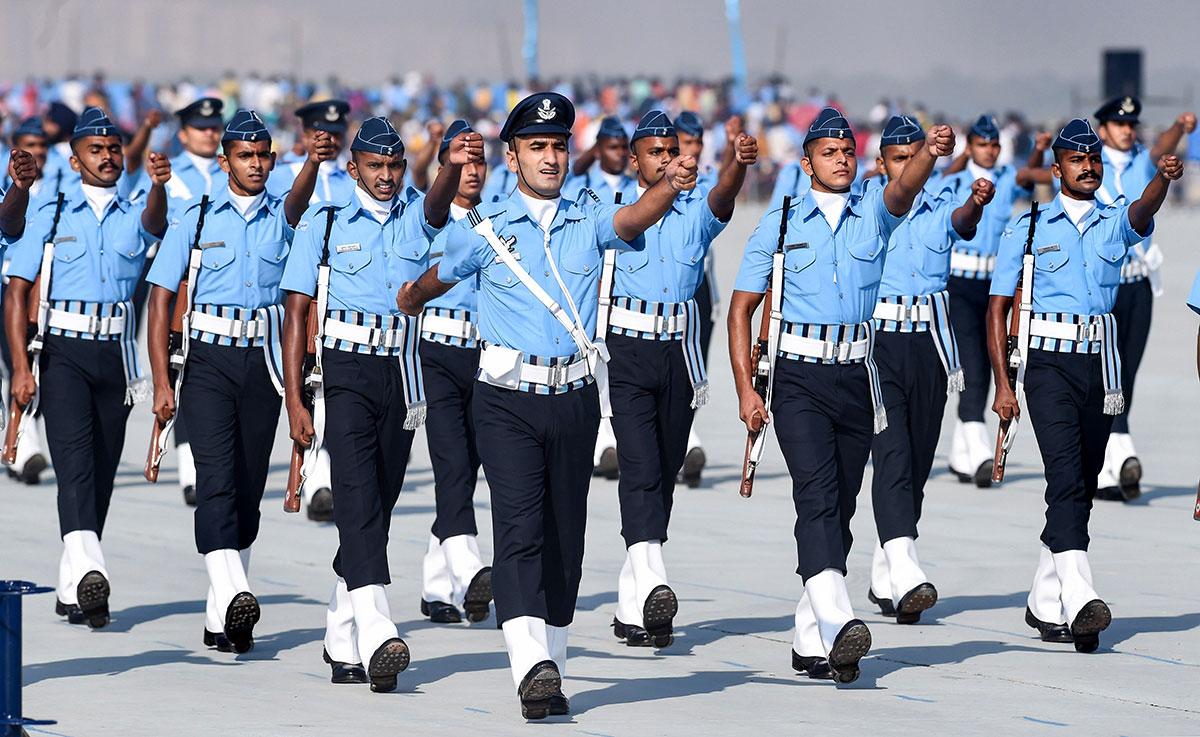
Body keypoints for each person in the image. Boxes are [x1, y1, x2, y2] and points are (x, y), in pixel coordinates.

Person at [395, 91, 696, 719]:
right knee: (520, 527)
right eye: (537, 147)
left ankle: (548, 661)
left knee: (566, 535)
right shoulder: (487, 226)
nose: (551, 157)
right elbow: (439, 275)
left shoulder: (589, 218)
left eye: (558, 146)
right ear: (514, 155)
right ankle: (529, 657)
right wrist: (409, 297)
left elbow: (635, 219)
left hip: (576, 398)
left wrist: (668, 184)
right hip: (505, 400)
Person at [729, 108, 954, 684]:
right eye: (828, 152)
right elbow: (740, 309)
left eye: (848, 151)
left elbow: (903, 187)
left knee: (845, 505)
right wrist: (745, 393)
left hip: (858, 373)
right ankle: (836, 615)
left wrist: (929, 151)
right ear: (806, 163)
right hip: (797, 377)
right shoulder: (778, 222)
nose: (841, 160)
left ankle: (809, 640)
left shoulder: (874, 214)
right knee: (816, 495)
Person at [281, 116, 481, 691]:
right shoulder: (324, 223)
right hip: (343, 373)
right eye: (376, 166)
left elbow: (439, 207)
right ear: (354, 168)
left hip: (402, 373)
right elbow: (296, 312)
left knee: (382, 502)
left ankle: (340, 631)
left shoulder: (416, 213)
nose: (387, 176)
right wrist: (295, 398)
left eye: (395, 165)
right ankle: (376, 628)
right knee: (357, 497)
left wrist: (451, 166)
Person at [988, 118, 1182, 653]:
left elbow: (1142, 212)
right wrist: (1003, 385)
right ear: (1058, 169)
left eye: (1094, 159)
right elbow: (998, 307)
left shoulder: (1115, 220)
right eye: (1077, 160)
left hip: (1100, 364)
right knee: (1065, 474)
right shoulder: (1026, 228)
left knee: (1085, 480)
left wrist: (1161, 180)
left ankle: (1044, 596)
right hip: (1047, 365)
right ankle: (1081, 596)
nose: (1089, 167)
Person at [145, 108, 326, 654]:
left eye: (263, 155)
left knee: (247, 490)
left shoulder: (288, 217)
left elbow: (297, 205)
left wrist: (313, 165)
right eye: (244, 155)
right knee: (217, 480)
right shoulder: (195, 217)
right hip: (208, 363)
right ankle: (235, 589)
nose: (255, 164)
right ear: (223, 161)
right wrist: (160, 380)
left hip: (265, 364)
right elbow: (159, 302)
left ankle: (222, 616)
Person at [4, 107, 171, 629]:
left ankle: (73, 582)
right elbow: (16, 292)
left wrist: (160, 186)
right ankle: (92, 570)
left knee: (99, 474)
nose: (107, 157)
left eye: (115, 149)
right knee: (73, 465)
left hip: (117, 359)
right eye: (96, 151)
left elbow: (155, 226)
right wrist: (20, 369)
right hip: (64, 353)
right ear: (75, 161)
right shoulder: (49, 212)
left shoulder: (134, 209)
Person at [602, 110, 756, 648]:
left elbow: (723, 198)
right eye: (655, 152)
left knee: (663, 473)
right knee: (640, 466)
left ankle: (633, 603)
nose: (666, 159)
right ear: (634, 157)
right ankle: (654, 581)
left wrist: (736, 163)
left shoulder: (695, 210)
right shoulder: (610, 206)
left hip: (680, 356)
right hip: (627, 351)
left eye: (672, 151)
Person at [1022, 97, 1196, 501]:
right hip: (1100, 285)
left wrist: (1180, 126)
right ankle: (1115, 454)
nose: (1127, 131)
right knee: (1102, 371)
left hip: (1137, 280)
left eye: (1131, 125)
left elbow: (1163, 146)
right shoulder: (1089, 167)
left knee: (1127, 368)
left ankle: (1117, 449)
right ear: (1103, 129)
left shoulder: (1140, 159)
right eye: (1119, 125)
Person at [865, 115, 994, 625]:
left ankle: (885, 570)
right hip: (879, 347)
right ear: (882, 164)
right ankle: (906, 563)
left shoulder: (940, 201)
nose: (910, 167)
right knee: (893, 453)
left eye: (916, 156)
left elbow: (961, 224)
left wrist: (976, 205)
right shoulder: (868, 207)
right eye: (900, 158)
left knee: (918, 462)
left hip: (932, 345)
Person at [418, 119, 494, 625]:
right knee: (450, 462)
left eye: (479, 160)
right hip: (435, 355)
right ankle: (469, 570)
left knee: (467, 470)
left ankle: (435, 585)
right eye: (460, 160)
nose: (471, 170)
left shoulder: (497, 221)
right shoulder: (428, 218)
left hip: (484, 358)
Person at [941, 115, 1043, 487]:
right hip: (960, 281)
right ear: (971, 146)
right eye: (983, 145)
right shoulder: (951, 181)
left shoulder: (1004, 179)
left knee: (993, 358)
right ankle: (980, 448)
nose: (990, 151)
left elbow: (1029, 178)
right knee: (973, 362)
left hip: (995, 283)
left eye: (995, 145)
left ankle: (960, 452)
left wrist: (1042, 153)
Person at [268, 100, 355, 206]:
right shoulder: (281, 174)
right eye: (323, 135)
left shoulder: (352, 180)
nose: (332, 141)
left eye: (337, 135)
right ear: (304, 137)